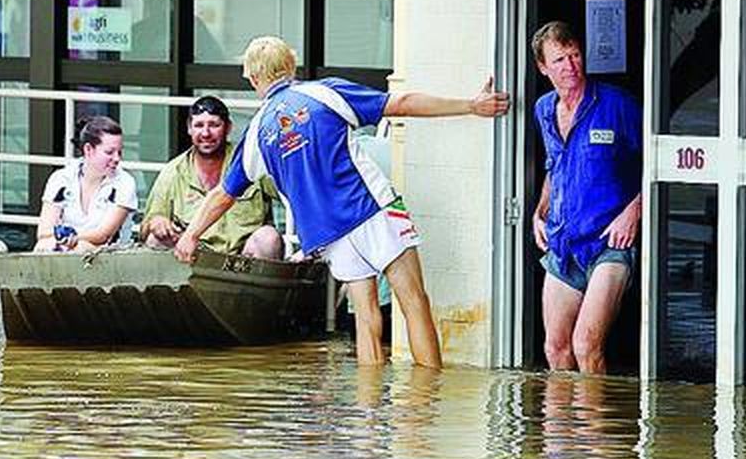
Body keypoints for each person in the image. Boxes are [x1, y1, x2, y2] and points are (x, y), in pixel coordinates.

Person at [174, 35, 509, 368]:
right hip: (373, 208)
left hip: (329, 234)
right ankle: (427, 398)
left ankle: (368, 402)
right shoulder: (325, 92)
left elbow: (223, 195)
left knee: (366, 319)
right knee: (413, 301)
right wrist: (470, 106)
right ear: (291, 65)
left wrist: (191, 235)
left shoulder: (257, 133)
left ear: (252, 78)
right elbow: (402, 103)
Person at [530, 21, 642, 374]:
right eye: (559, 59)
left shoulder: (617, 105)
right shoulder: (544, 109)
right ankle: (562, 415)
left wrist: (634, 210)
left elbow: (658, 164)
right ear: (543, 67)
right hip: (564, 244)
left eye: (575, 55)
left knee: (586, 345)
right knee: (556, 348)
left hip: (609, 242)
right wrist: (539, 212)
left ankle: (596, 414)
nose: (570, 66)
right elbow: (556, 166)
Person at [139, 95, 283, 258]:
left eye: (214, 125)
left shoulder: (248, 163)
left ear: (228, 127)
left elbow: (293, 194)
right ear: (189, 128)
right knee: (155, 239)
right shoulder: (173, 171)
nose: (206, 133)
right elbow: (147, 227)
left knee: (268, 237)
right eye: (199, 125)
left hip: (245, 260)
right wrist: (157, 222)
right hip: (194, 259)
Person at [33, 114, 139, 253]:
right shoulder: (61, 178)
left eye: (119, 152)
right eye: (109, 152)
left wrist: (72, 238)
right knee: (44, 245)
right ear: (88, 149)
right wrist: (65, 241)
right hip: (66, 247)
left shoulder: (125, 182)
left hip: (109, 254)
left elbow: (103, 235)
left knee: (81, 248)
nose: (117, 158)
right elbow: (43, 232)